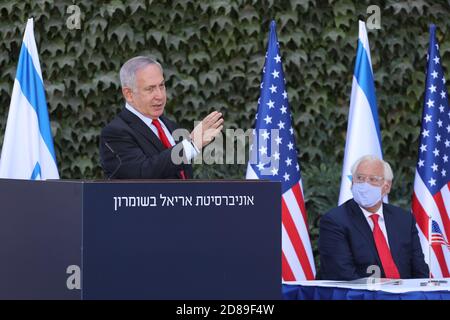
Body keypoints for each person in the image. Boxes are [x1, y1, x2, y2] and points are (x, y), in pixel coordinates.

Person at [100, 56, 223, 179]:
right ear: (129, 94)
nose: (159, 95)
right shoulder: (115, 133)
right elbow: (142, 173)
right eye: (150, 89)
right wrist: (190, 146)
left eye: (162, 85)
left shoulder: (169, 125)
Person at [319, 155, 429, 280]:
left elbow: (420, 271)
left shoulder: (404, 219)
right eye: (359, 178)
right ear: (352, 183)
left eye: (373, 179)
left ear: (386, 187)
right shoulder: (335, 221)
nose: (365, 185)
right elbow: (343, 275)